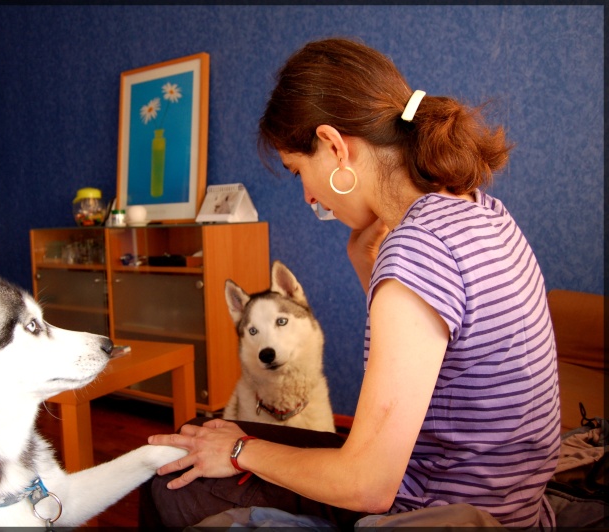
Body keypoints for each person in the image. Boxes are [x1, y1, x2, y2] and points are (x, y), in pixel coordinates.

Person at [144, 37, 561, 528]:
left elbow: (367, 484)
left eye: (300, 170)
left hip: (441, 513)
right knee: (206, 434)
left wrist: (239, 450)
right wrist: (365, 261)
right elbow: (430, 362)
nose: (307, 195)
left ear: (336, 146)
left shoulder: (419, 248)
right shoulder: (478, 209)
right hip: (501, 499)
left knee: (170, 483)